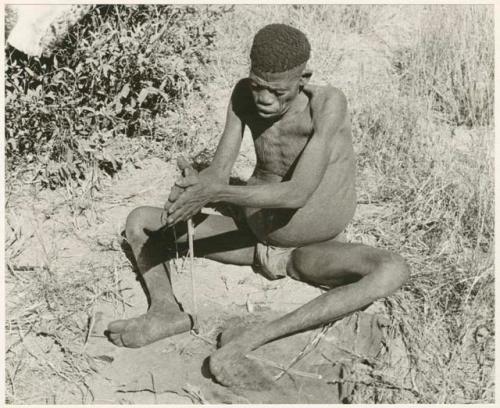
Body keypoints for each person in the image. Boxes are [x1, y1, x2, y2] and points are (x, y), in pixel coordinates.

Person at [106, 23, 409, 389]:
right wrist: (194, 187)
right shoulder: (242, 96)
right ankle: (165, 310)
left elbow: (297, 193)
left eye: (276, 90)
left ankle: (250, 339)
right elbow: (219, 172)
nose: (264, 98)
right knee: (140, 221)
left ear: (303, 79)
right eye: (257, 85)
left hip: (309, 252)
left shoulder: (326, 105)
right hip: (250, 240)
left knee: (392, 269)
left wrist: (217, 193)